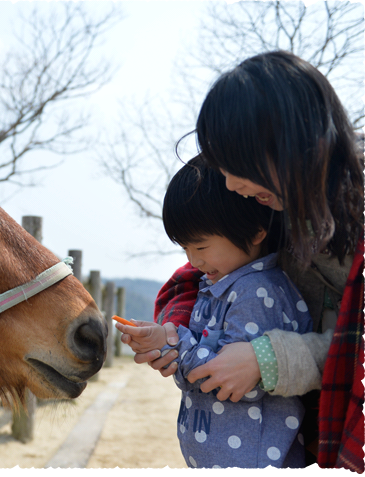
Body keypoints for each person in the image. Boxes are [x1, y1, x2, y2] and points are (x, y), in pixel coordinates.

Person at [118, 50, 365, 471]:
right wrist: (174, 336)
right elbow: (193, 285)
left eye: (236, 164)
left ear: (292, 142)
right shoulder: (275, 210)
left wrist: (267, 360)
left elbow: (353, 350)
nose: (231, 184)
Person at [128, 155, 312, 469]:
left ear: (255, 232)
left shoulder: (257, 291)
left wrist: (174, 344)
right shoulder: (217, 284)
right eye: (184, 248)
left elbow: (232, 382)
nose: (193, 261)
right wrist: (166, 341)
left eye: (200, 247)